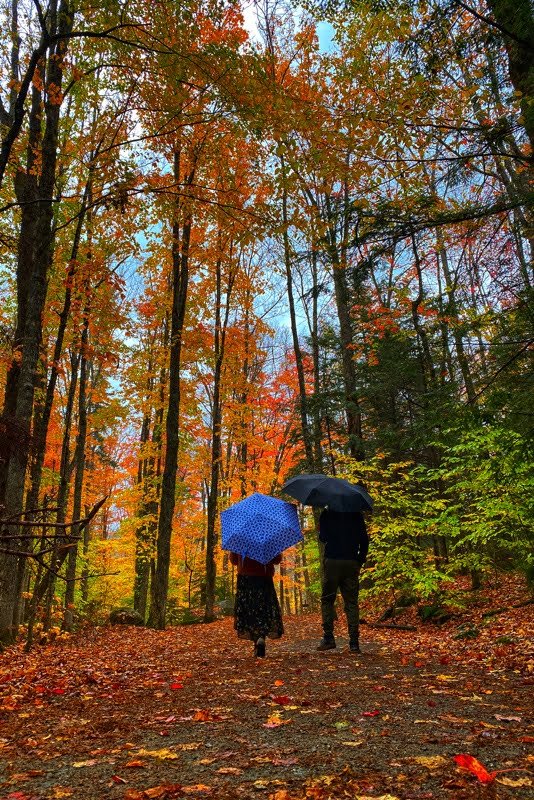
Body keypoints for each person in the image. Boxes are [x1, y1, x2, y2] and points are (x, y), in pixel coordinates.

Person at [316, 508, 369, 653]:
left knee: (327, 599)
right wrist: (360, 560)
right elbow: (364, 540)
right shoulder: (356, 513)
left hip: (332, 561)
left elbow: (323, 538)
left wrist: (321, 528)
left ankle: (328, 638)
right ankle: (354, 642)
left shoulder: (327, 513)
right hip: (351, 562)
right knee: (351, 602)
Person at [230, 552, 284, 657]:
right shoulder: (267, 538)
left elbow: (234, 560)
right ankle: (261, 637)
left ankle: (256, 639)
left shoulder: (240, 539)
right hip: (264, 579)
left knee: (249, 610)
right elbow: (277, 559)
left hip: (245, 580)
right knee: (264, 608)